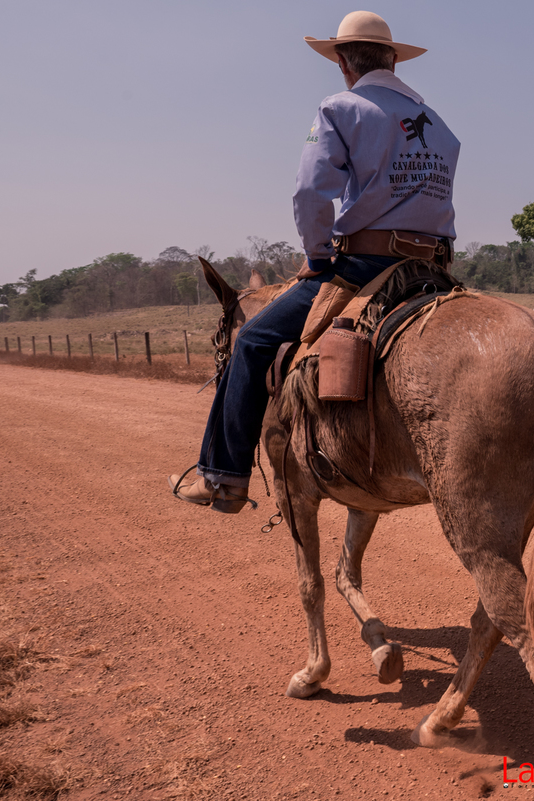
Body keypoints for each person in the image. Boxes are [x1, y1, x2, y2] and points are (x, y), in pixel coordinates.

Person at [169, 11, 460, 512]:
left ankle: (224, 478)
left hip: (365, 265)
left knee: (252, 341)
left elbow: (310, 193)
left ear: (343, 63)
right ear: (393, 60)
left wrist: (319, 255)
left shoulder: (340, 108)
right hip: (435, 270)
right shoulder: (438, 124)